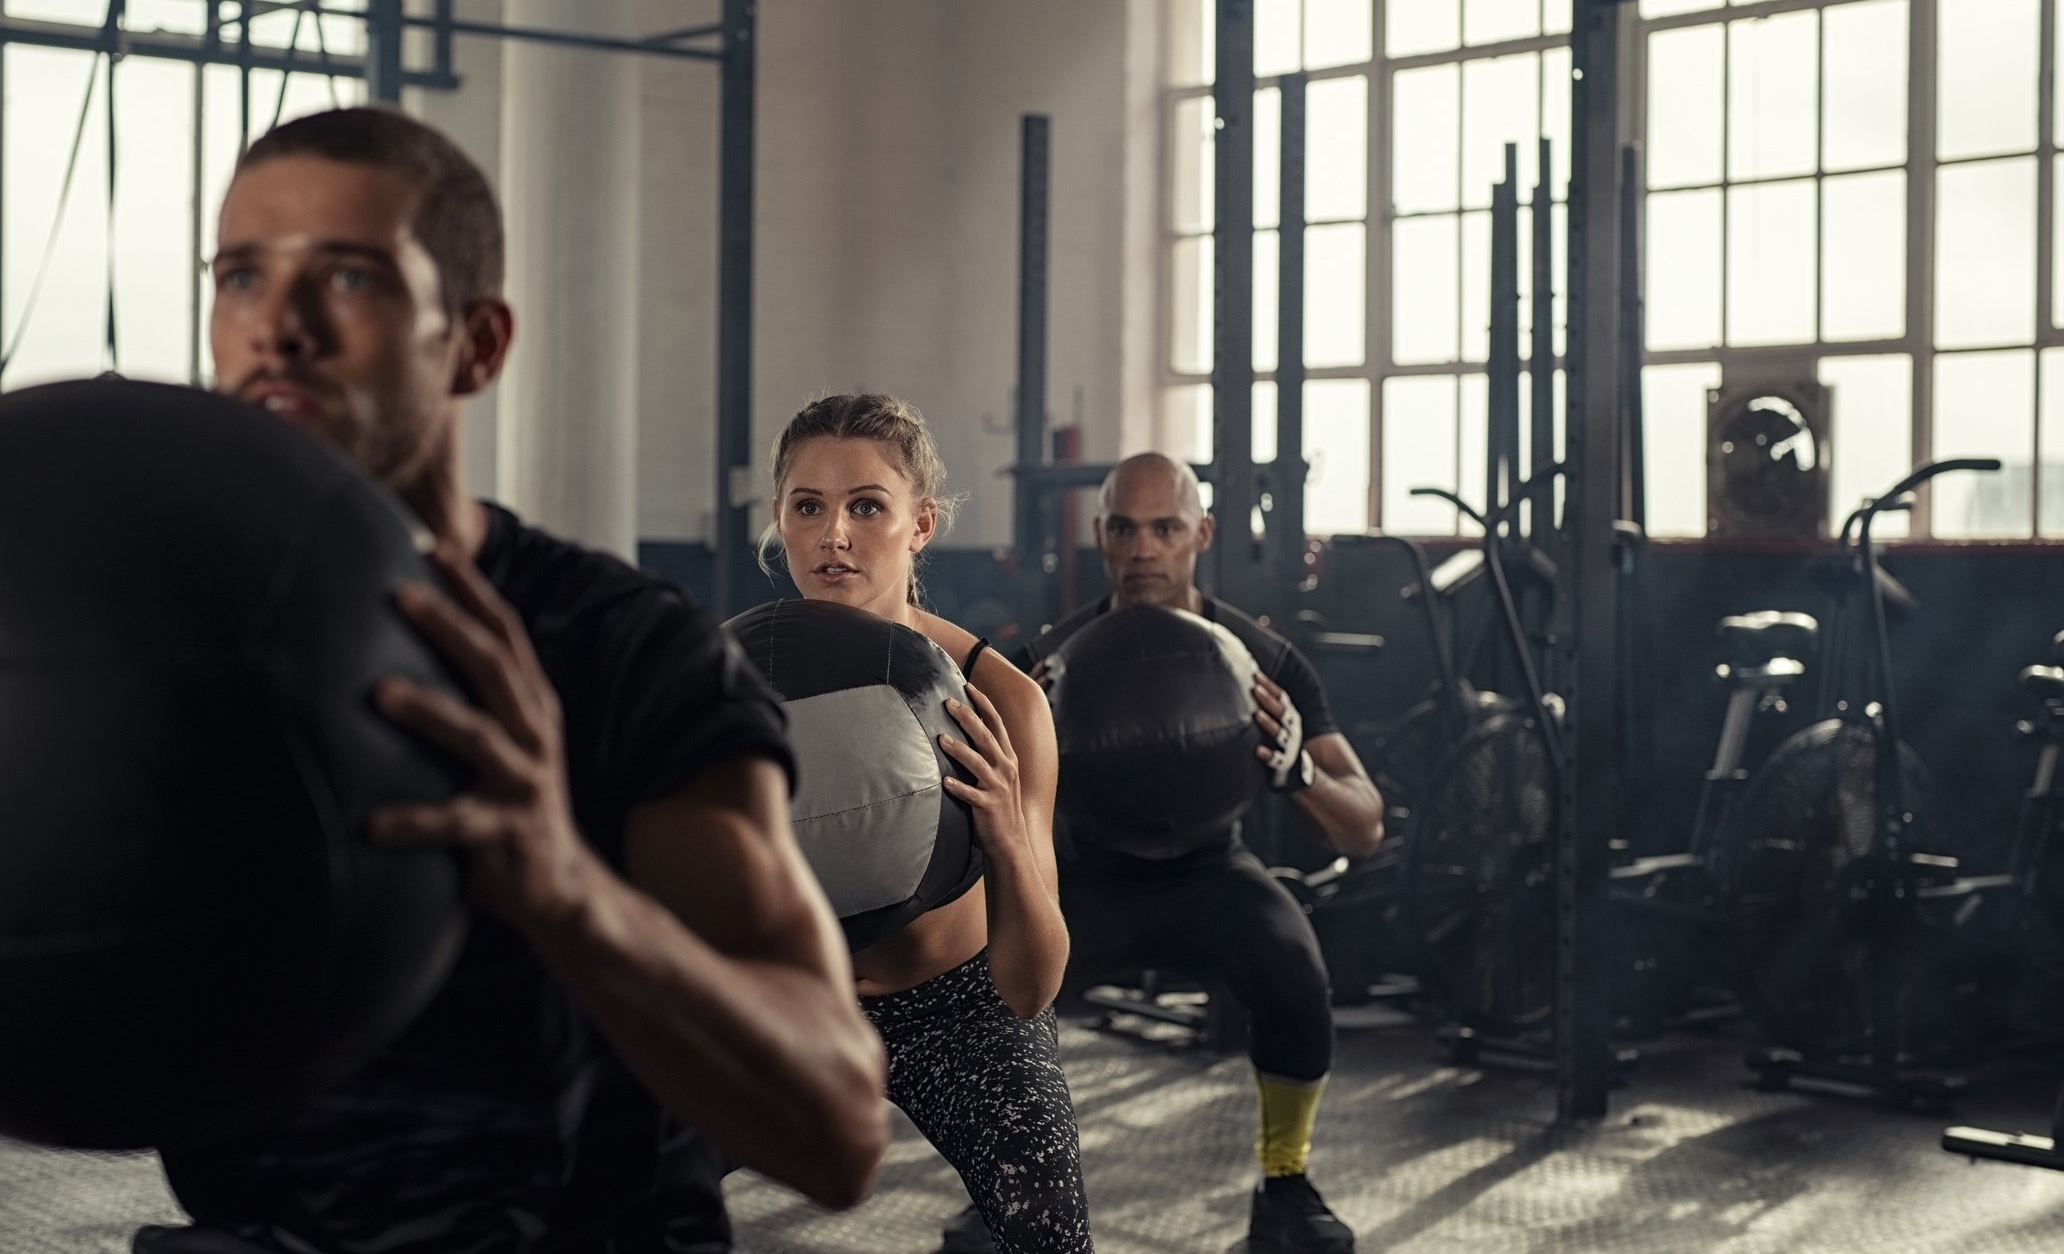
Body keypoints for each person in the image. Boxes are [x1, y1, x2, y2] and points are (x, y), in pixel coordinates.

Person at [136, 107, 888, 1254]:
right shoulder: (169, 637)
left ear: (477, 345)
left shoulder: (627, 647)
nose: (275, 328)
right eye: (241, 276)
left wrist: (562, 884)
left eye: (347, 278)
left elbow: (837, 1130)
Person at [958, 451, 1385, 1254]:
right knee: (986, 995)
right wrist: (1026, 741)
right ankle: (1000, 1192)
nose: (1144, 548)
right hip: (1090, 876)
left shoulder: (1262, 660)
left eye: (1166, 528)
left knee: (1295, 969)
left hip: (1211, 873)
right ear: (1101, 536)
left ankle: (1285, 1190)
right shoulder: (1051, 660)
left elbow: (1364, 826)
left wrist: (1299, 773)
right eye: (1125, 528)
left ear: (1202, 534)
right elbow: (977, 812)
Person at [761, 393, 1093, 1254]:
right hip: (790, 998)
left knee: (1048, 1217)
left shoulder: (1003, 704)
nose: (836, 534)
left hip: (957, 1005)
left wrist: (1008, 840)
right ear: (780, 521)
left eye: (868, 506)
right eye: (810, 506)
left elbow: (1030, 987)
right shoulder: (731, 679)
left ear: (920, 526)